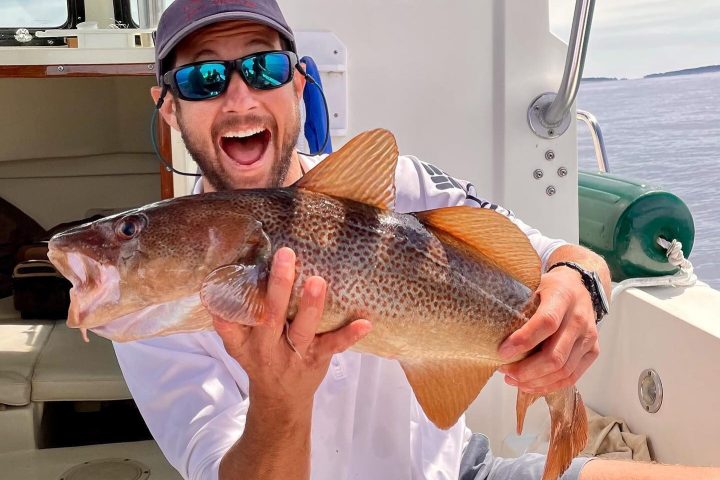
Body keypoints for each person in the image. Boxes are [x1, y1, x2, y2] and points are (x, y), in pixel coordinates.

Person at [114, 1, 720, 480]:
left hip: (461, 470)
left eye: (263, 67)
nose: (239, 95)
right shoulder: (148, 305)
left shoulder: (391, 184)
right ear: (167, 107)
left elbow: (563, 257)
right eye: (203, 77)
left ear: (298, 84)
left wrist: (580, 287)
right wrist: (280, 402)